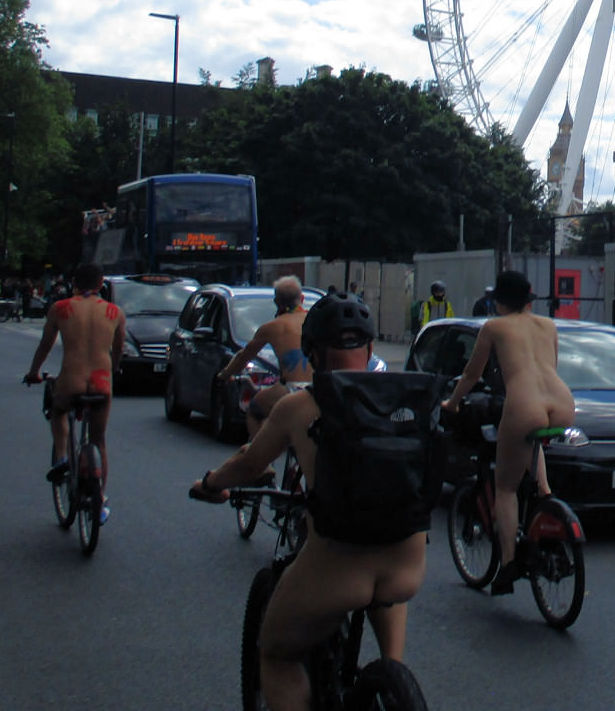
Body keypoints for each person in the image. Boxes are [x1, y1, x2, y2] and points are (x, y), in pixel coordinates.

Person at [191, 296, 426, 711]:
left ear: (312, 353)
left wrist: (211, 483)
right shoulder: (410, 398)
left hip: (337, 568)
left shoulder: (300, 405)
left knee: (276, 654)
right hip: (406, 567)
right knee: (388, 641)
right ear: (371, 348)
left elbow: (249, 464)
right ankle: (391, 680)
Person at [441, 269, 574, 594]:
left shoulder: (494, 327)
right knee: (534, 445)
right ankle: (546, 499)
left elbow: (471, 374)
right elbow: (550, 366)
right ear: (528, 301)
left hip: (524, 404)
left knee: (505, 488)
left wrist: (452, 403)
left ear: (499, 302)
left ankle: (509, 562)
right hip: (562, 402)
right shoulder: (548, 325)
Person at [25, 262, 125, 519]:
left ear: (74, 284)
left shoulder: (60, 308)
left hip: (72, 380)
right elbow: (118, 351)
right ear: (101, 284)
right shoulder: (115, 312)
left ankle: (61, 457)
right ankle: (100, 501)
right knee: (98, 441)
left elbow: (45, 344)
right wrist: (114, 368)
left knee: (58, 410)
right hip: (102, 382)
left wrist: (34, 371)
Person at [218, 275, 310, 435]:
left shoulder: (271, 327)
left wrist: (224, 375)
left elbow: (243, 357)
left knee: (254, 411)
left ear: (276, 302)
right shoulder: (316, 321)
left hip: (291, 388)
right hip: (320, 388)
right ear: (302, 298)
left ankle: (260, 450)